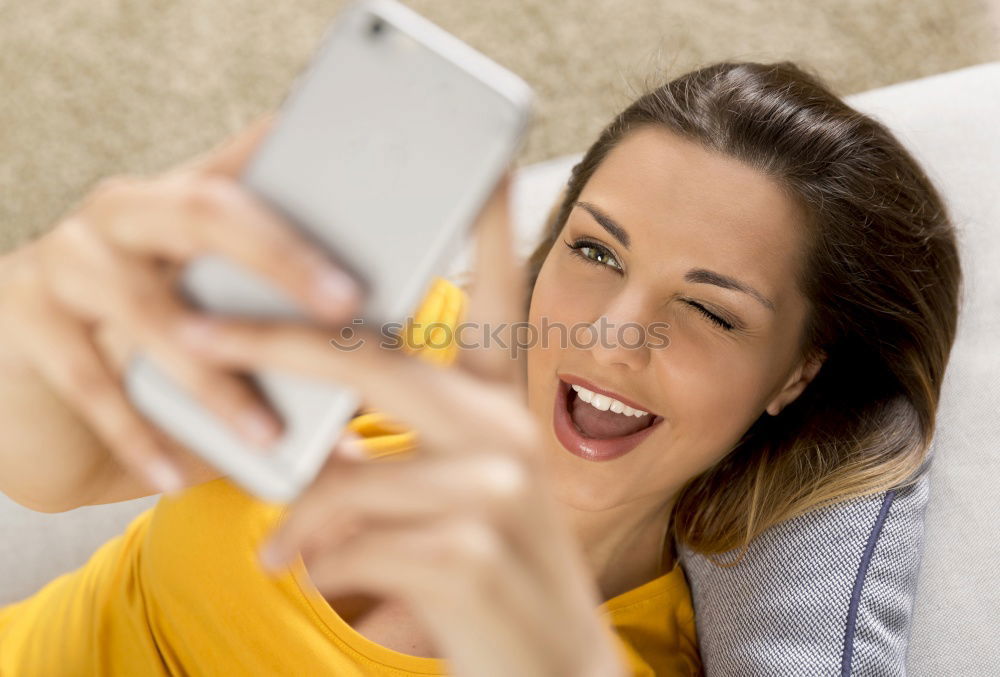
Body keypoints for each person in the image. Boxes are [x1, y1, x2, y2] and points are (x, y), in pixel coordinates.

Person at [0, 61, 961, 676]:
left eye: (708, 309)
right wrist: (34, 311)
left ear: (794, 377)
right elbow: (56, 466)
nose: (611, 335)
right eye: (596, 253)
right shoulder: (393, 331)